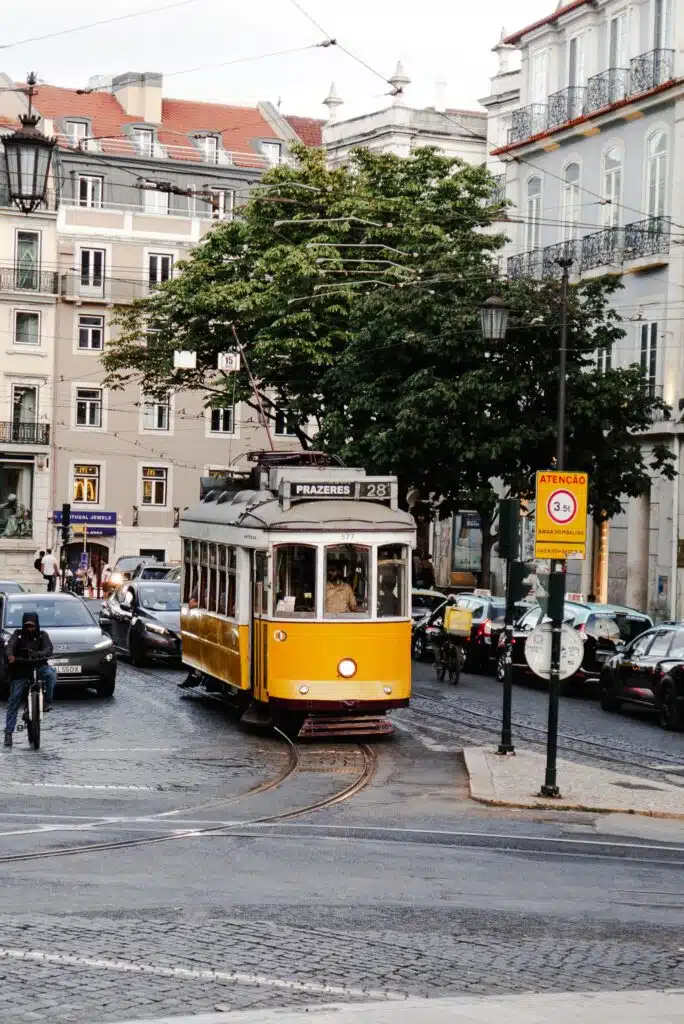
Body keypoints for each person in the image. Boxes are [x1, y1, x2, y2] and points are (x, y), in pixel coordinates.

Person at [4, 612, 57, 747]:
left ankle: (46, 701)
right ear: (23, 625)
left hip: (39, 667)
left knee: (51, 674)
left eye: (32, 626)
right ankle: (8, 733)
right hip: (21, 669)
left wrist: (39, 654)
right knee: (14, 698)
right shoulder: (17, 634)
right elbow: (10, 646)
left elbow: (49, 648)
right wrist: (10, 655)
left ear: (37, 625)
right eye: (27, 626)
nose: (30, 629)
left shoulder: (42, 635)